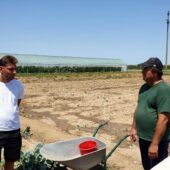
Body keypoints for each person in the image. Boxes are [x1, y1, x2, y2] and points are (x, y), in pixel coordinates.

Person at [130, 57, 170, 170]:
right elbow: (139, 108)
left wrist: (155, 144)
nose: (141, 71)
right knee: (147, 166)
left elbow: (164, 119)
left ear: (154, 71)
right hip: (143, 138)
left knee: (157, 167)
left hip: (156, 141)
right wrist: (133, 128)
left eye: (144, 69)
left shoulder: (164, 90)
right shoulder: (144, 87)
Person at [0, 55, 24, 170]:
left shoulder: (18, 85)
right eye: (10, 69)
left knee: (10, 161)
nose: (14, 72)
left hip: (14, 130)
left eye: (15, 69)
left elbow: (16, 105)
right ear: (1, 69)